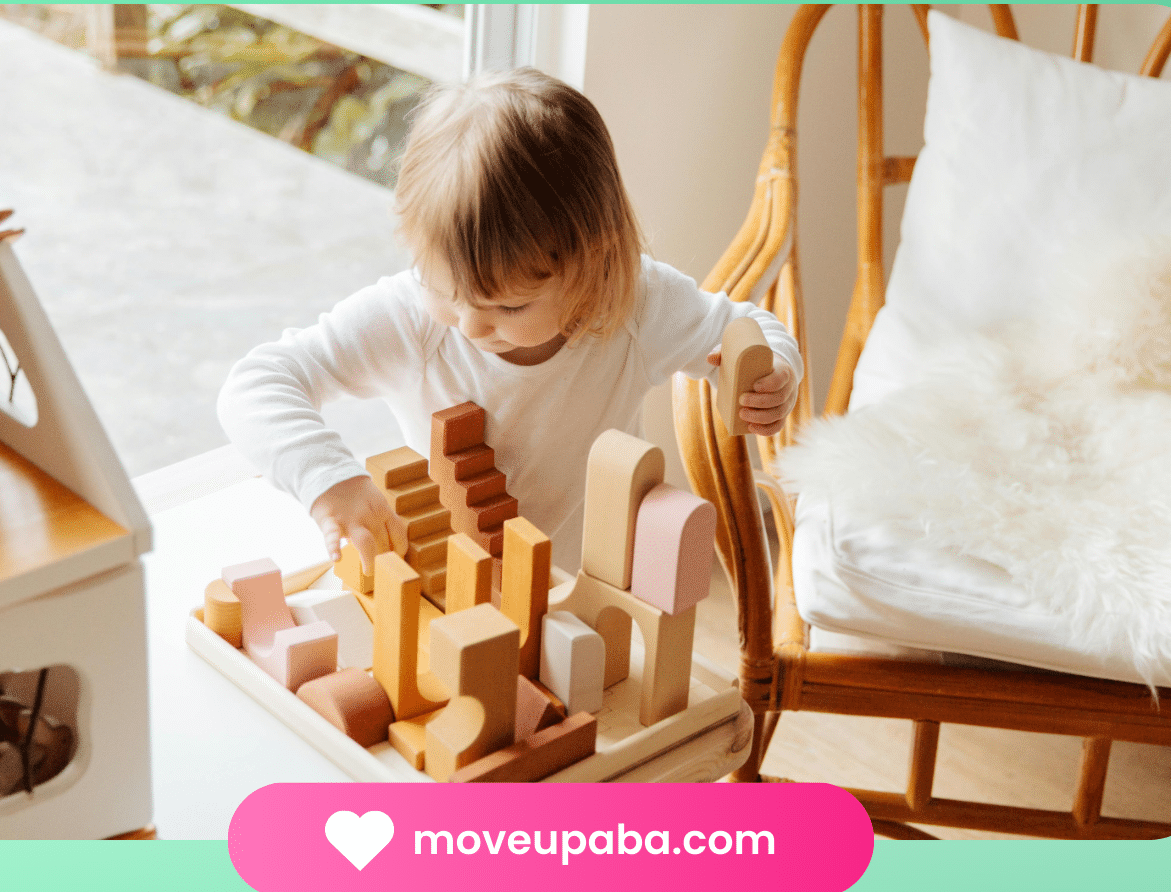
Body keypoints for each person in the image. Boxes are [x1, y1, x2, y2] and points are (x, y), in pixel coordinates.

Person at [219, 67, 802, 574]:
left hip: (587, 589)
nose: (470, 325)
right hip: (448, 588)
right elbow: (256, 383)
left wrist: (771, 373)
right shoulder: (411, 320)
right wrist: (331, 483)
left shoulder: (635, 307)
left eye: (508, 307)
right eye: (446, 290)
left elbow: (746, 330)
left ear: (589, 262)